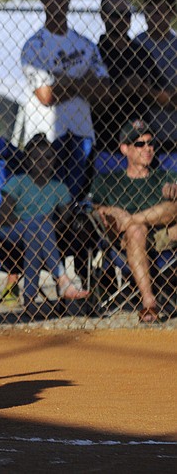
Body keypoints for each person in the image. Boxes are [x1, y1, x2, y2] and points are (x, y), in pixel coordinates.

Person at [90, 120, 177, 323]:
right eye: (139, 144)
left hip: (164, 234)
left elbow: (173, 209)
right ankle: (149, 302)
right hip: (127, 241)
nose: (147, 148)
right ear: (124, 149)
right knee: (137, 230)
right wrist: (109, 210)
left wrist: (175, 191)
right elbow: (95, 209)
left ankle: (133, 220)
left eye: (150, 143)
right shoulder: (108, 181)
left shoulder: (165, 177)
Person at [0, 134, 89, 316]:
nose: (43, 163)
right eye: (37, 158)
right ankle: (62, 279)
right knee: (37, 224)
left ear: (54, 160)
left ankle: (30, 300)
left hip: (41, 236)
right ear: (28, 161)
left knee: (35, 235)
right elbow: (4, 217)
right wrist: (35, 222)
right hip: (10, 233)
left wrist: (45, 225)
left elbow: (65, 220)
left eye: (47, 158)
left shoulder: (59, 187)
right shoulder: (18, 182)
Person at [14, 0, 108, 147]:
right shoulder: (34, 46)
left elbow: (102, 92)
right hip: (46, 142)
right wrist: (83, 82)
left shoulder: (86, 44)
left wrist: (65, 80)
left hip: (82, 137)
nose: (59, 0)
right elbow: (46, 96)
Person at [93, 0, 165, 153]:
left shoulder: (141, 53)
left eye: (127, 15)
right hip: (106, 142)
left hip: (141, 147)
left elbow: (160, 94)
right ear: (104, 16)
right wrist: (123, 88)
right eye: (116, 15)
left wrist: (145, 91)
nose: (123, 20)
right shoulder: (95, 53)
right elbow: (94, 103)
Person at [134, 0, 177, 148]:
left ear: (171, 13)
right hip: (141, 135)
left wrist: (152, 95)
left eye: (159, 12)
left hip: (172, 133)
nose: (153, 18)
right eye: (149, 11)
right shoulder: (136, 46)